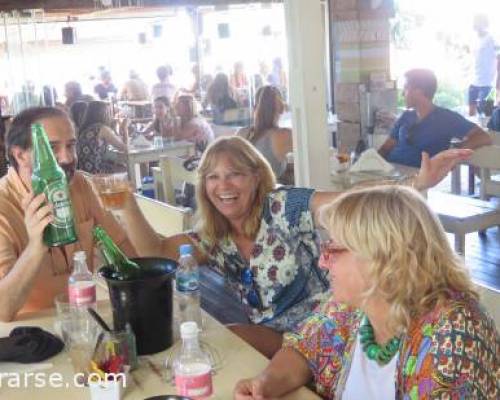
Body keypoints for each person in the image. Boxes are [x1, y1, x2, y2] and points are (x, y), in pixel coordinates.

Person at [119, 136, 472, 358]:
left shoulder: (284, 207)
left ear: (256, 176)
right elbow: (157, 252)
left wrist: (415, 182)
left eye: (234, 174)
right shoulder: (215, 235)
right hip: (275, 340)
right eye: (213, 177)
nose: (223, 185)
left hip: (329, 329)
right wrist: (126, 202)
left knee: (223, 345)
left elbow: (353, 199)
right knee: (216, 345)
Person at [234, 185, 498, 399]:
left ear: (381, 258)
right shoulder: (353, 305)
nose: (321, 262)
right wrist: (264, 385)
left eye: (333, 250)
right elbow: (304, 349)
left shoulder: (454, 334)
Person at [0, 107, 137, 321]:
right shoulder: (3, 207)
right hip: (30, 336)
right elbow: (3, 310)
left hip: (85, 320)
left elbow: (124, 248)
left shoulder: (80, 184)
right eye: (52, 148)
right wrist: (36, 246)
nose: (66, 158)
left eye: (71, 145)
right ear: (20, 155)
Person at [378, 68, 492, 167]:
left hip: (416, 176)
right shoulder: (406, 116)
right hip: (391, 171)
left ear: (418, 91)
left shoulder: (446, 118)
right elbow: (385, 148)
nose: (403, 94)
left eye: (406, 88)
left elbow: (483, 137)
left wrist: (453, 153)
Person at [237, 85, 292, 184]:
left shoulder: (241, 133)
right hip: (271, 195)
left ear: (254, 108)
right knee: (317, 197)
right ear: (281, 108)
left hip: (245, 194)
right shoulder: (284, 135)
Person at [77, 101, 127, 174]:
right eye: (109, 112)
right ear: (104, 114)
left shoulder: (85, 129)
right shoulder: (101, 129)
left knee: (118, 165)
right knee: (127, 168)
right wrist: (124, 128)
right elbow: (124, 148)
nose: (111, 116)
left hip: (83, 173)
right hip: (96, 173)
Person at [468, 14, 498, 117]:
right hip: (473, 82)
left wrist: (498, 84)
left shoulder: (492, 39)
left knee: (486, 115)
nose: (476, 24)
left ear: (485, 23)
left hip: (488, 84)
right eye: (475, 21)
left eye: (479, 21)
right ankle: (472, 133)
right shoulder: (473, 40)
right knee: (471, 115)